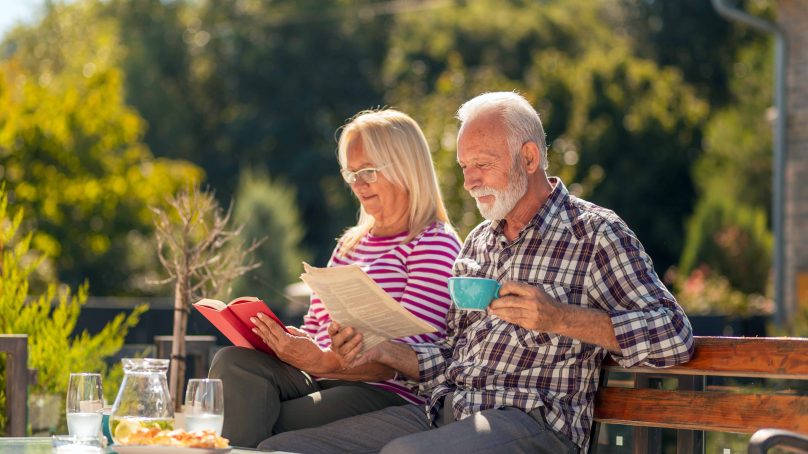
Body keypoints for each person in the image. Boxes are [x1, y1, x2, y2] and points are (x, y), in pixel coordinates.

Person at [257, 92, 694, 453]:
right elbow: (449, 357)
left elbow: (673, 335)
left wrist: (560, 318)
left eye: (482, 164)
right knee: (282, 450)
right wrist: (383, 351)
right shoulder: (479, 243)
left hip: (534, 422)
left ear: (528, 157)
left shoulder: (595, 233)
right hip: (446, 411)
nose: (469, 181)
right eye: (465, 167)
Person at [209, 109, 461, 447]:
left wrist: (323, 359)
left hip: (387, 391)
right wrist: (293, 342)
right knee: (233, 363)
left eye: (368, 171)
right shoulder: (350, 243)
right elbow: (316, 328)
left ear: (406, 169)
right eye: (351, 173)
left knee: (261, 413)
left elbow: (412, 356)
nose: (358, 184)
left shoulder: (433, 242)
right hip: (324, 375)